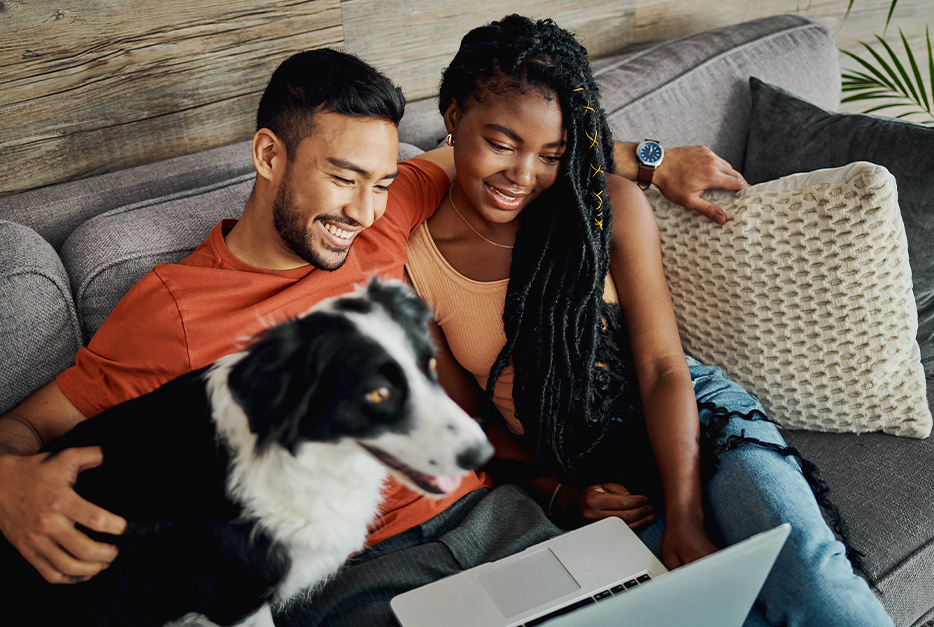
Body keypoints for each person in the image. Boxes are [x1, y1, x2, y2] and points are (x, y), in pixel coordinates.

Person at [0, 44, 741, 598]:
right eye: (343, 177)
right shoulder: (174, 306)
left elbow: (518, 155)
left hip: (496, 517)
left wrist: (652, 161)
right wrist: (10, 481)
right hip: (358, 577)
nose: (363, 210)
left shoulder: (382, 218)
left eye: (383, 181)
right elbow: (27, 424)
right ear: (268, 155)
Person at [400, 14, 893, 627]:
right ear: (452, 119)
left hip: (696, 422)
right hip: (586, 469)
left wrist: (686, 513)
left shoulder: (605, 206)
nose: (523, 176)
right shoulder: (414, 260)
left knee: (812, 575)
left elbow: (662, 368)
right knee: (722, 614)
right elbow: (468, 423)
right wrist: (563, 494)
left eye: (551, 155)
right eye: (501, 144)